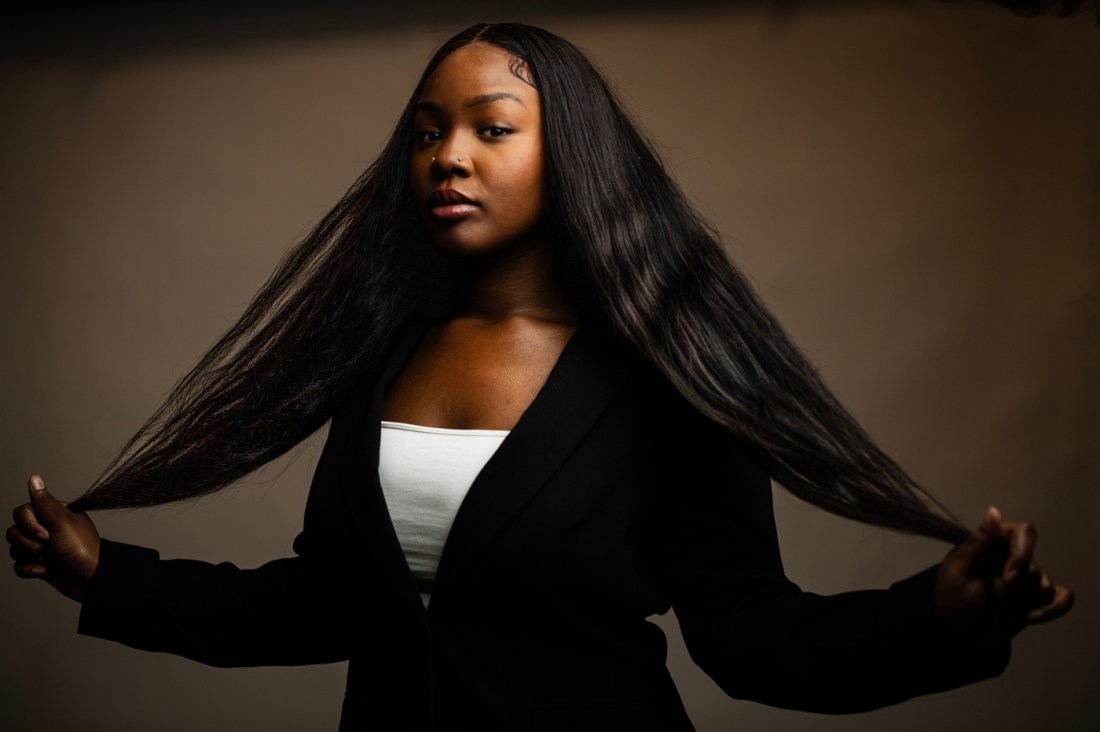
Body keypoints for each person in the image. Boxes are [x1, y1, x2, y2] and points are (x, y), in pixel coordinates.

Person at [6, 22, 1073, 731]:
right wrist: (106, 573)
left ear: (570, 155)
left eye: (489, 128)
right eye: (427, 133)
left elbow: (751, 639)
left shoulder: (664, 384)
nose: (447, 156)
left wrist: (939, 618)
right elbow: (334, 610)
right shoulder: (377, 362)